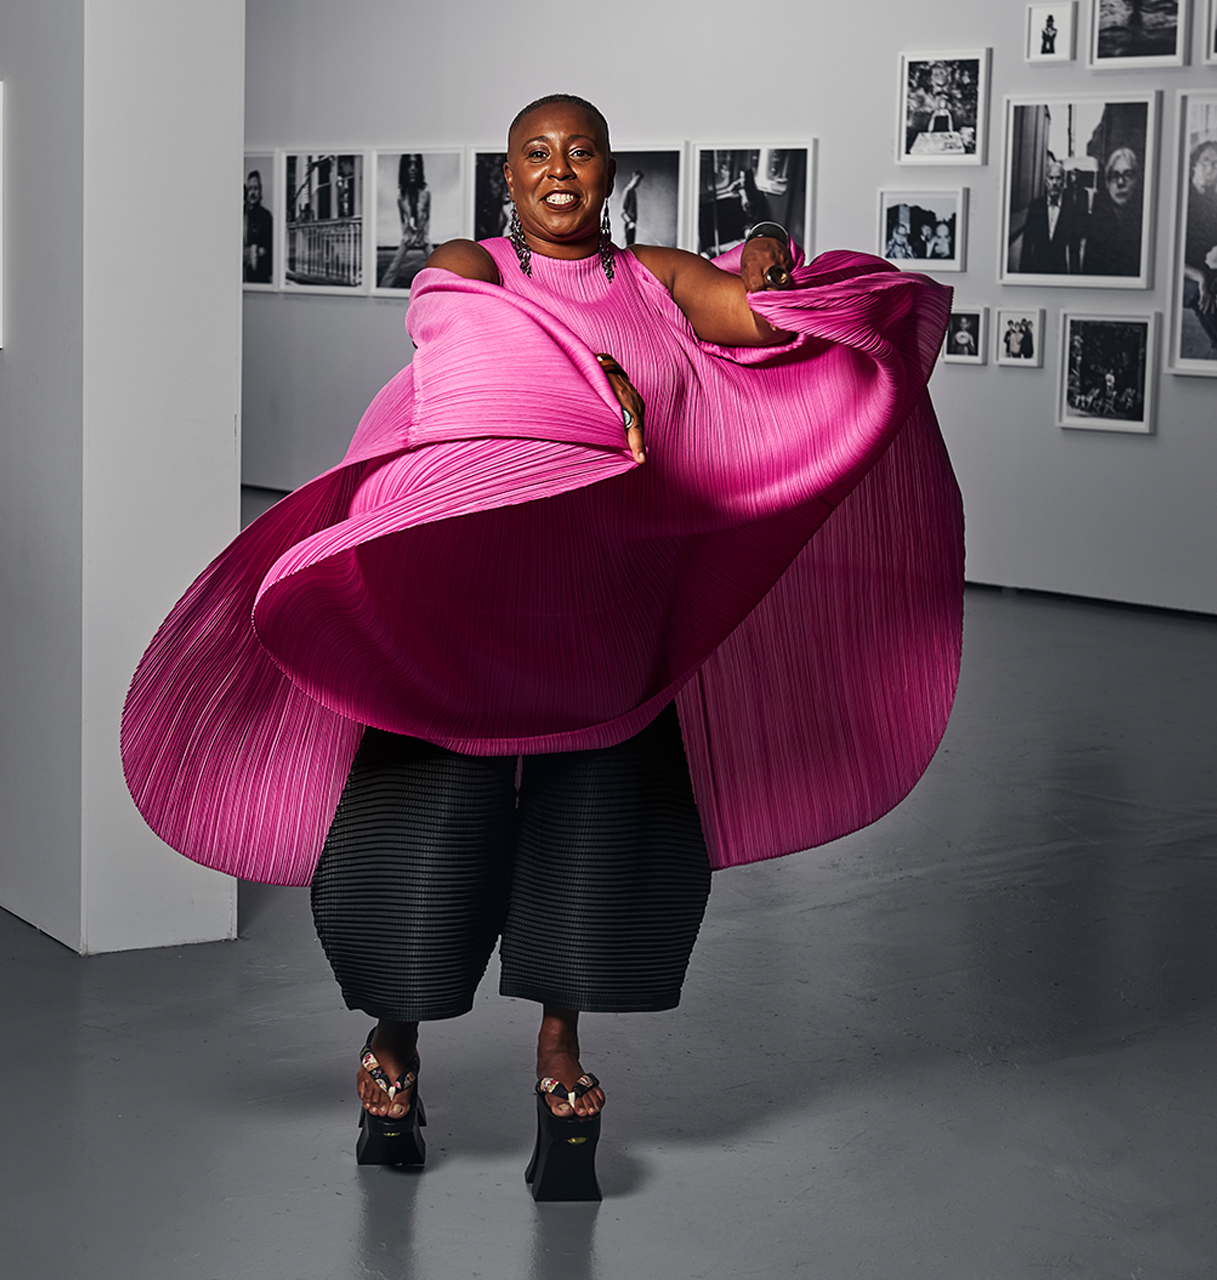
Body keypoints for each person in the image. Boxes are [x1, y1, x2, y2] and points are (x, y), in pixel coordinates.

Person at [122, 95, 961, 1198]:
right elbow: (460, 334)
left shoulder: (655, 280)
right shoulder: (474, 267)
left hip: (606, 625)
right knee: (420, 843)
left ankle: (559, 1050)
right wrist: (580, 388)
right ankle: (394, 1039)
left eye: (580, 151)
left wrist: (765, 254)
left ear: (609, 172)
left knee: (593, 848)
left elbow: (761, 325)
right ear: (508, 176)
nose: (559, 169)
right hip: (462, 624)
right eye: (535, 153)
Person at [1083, 147, 1143, 277]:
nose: (1121, 182)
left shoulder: (1144, 223)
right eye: (1114, 176)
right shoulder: (1096, 226)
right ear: (1107, 183)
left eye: (1128, 175)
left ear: (1137, 180)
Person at [1182, 139, 1217, 356]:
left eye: (1216, 164)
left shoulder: (1213, 202)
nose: (1210, 168)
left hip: (1207, 271)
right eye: (1205, 161)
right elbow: (1166, 257)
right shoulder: (1180, 199)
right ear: (1194, 163)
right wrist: (1201, 278)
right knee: (1201, 296)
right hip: (1181, 273)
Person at [1018, 153, 1080, 274]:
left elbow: (1074, 250)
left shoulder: (1071, 209)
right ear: (1046, 181)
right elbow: (1027, 244)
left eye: (1058, 178)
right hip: (1037, 269)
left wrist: (1075, 278)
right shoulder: (1036, 206)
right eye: (1051, 178)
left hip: (1059, 271)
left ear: (1063, 182)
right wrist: (1023, 275)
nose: (1055, 183)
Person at [379, 153, 431, 289]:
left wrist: (424, 235)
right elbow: (402, 220)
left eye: (416, 165)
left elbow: (427, 217)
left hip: (422, 236)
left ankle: (450, 291)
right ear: (404, 169)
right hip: (408, 236)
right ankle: (382, 290)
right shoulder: (400, 198)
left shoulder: (426, 193)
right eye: (409, 165)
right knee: (393, 267)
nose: (412, 168)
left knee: (439, 265)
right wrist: (407, 235)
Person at [243, 170, 274, 284]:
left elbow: (271, 248)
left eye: (255, 189)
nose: (252, 193)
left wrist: (255, 252)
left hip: (259, 277)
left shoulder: (266, 217)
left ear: (260, 191)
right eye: (250, 189)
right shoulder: (241, 215)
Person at [619, 168, 643, 246]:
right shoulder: (627, 191)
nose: (638, 183)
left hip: (633, 223)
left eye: (639, 181)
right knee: (628, 246)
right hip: (629, 224)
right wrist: (629, 221)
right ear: (633, 178)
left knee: (631, 246)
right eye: (637, 180)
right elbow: (622, 211)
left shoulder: (633, 191)